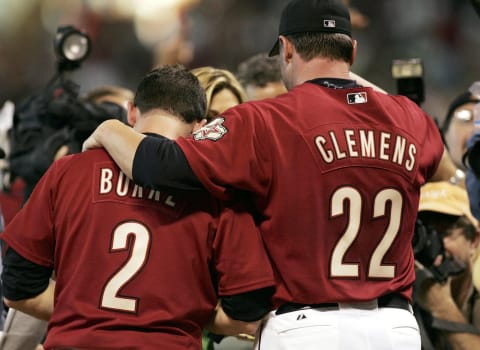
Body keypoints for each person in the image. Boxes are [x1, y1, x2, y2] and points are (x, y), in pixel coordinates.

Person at [83, 0, 451, 348]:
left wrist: (107, 129)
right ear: (352, 52)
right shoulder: (409, 117)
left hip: (308, 326)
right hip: (396, 328)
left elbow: (159, 165)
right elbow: (448, 169)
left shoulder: (267, 119)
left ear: (286, 49)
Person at [1, 65, 275, 350]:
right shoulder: (216, 192)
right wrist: (180, 311)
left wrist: (86, 308)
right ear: (201, 126)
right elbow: (247, 310)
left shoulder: (67, 172)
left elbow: (18, 288)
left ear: (131, 112)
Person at [414, 181, 480, 349]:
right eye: (426, 235)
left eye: (444, 233)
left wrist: (442, 308)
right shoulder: (401, 310)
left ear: (474, 240)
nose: (434, 246)